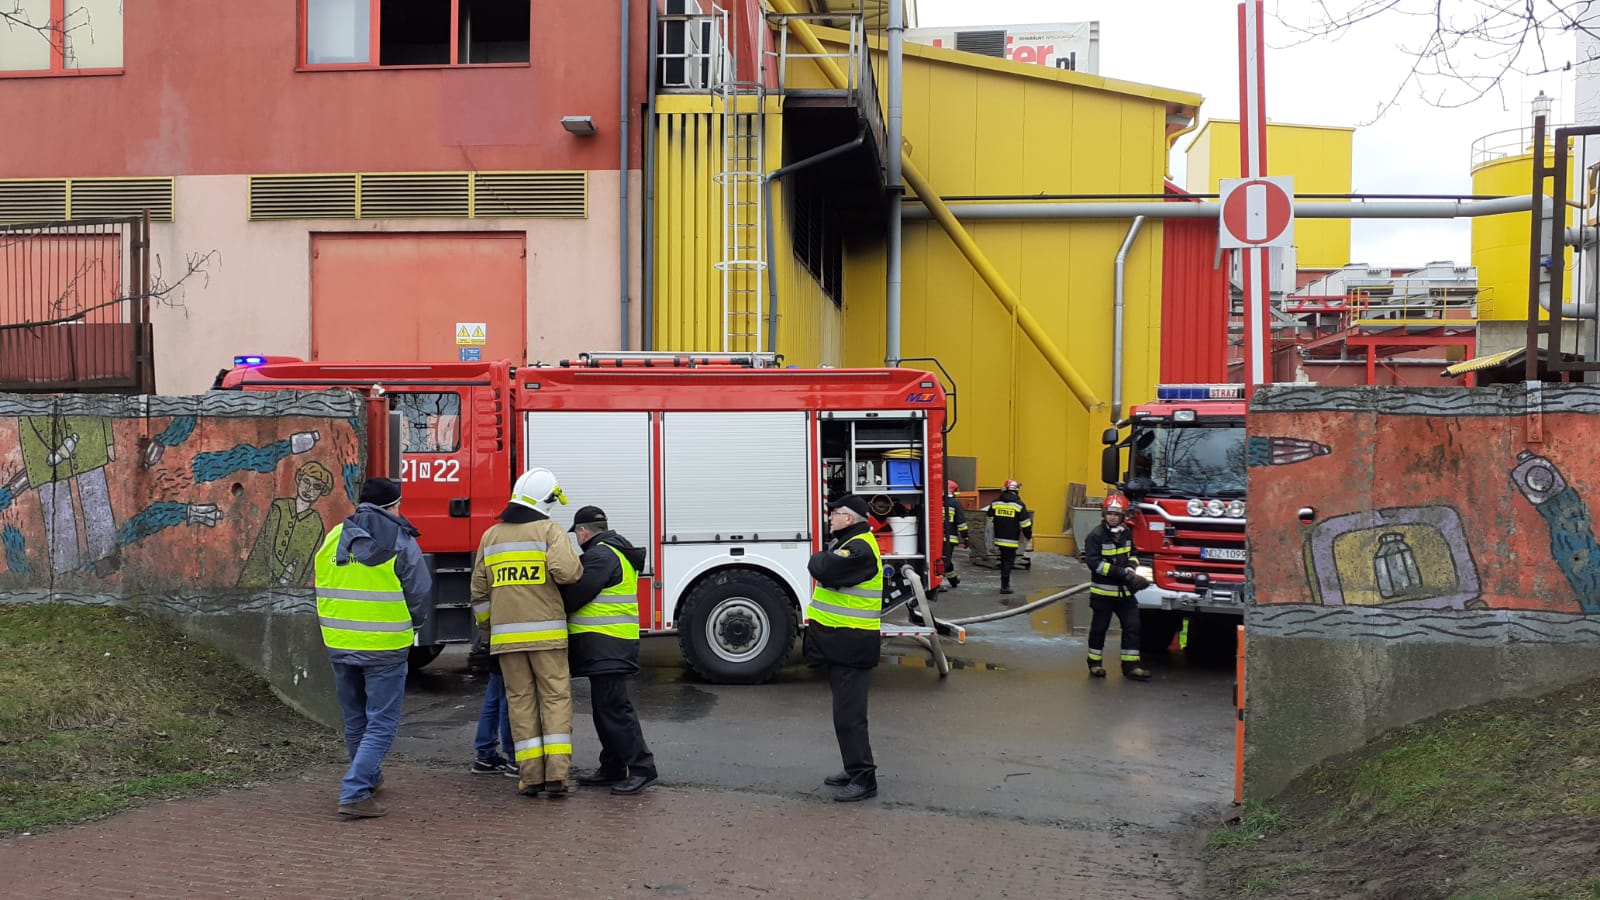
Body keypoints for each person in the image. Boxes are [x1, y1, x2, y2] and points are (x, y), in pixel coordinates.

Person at [313, 476, 432, 819]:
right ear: (394, 505)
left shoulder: (335, 536)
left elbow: (320, 585)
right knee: (381, 721)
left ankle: (368, 777)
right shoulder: (399, 538)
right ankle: (355, 791)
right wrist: (416, 623)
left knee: (355, 719)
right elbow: (419, 590)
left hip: (339, 641)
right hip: (385, 644)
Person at [471, 467, 583, 797]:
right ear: (546, 500)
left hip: (506, 641)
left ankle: (530, 776)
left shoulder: (490, 537)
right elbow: (567, 572)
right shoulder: (550, 531)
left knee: (519, 703)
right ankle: (557, 777)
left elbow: (478, 593)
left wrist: (488, 634)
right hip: (547, 636)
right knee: (555, 700)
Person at [561, 505, 659, 795]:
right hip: (610, 644)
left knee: (614, 709)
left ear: (583, 531)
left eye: (576, 534)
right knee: (605, 709)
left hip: (607, 644)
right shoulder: (613, 551)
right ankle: (612, 767)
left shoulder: (600, 555)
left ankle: (642, 768)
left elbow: (576, 595)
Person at [804, 495, 882, 802]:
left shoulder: (860, 548)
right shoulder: (850, 543)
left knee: (850, 716)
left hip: (853, 645)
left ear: (849, 518)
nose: (830, 518)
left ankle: (864, 778)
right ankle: (853, 770)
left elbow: (824, 568)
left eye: (835, 514)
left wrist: (817, 561)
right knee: (844, 715)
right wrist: (823, 561)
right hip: (844, 644)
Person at [1083, 493, 1153, 681]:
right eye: (1109, 513)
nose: (1112, 517)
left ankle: (1131, 667)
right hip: (1103, 594)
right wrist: (1123, 574)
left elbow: (1134, 554)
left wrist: (1131, 568)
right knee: (1099, 629)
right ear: (1104, 514)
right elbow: (1095, 564)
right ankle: (1095, 664)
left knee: (1133, 627)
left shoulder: (1127, 533)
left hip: (1125, 594)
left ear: (1123, 516)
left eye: (1116, 514)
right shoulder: (1095, 536)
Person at [468, 639, 518, 778]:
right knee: (508, 701)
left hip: (494, 641)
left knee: (494, 698)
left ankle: (484, 755)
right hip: (511, 644)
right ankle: (514, 758)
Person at [984, 486, 1032, 595]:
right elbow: (1026, 524)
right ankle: (1004, 586)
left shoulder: (995, 503)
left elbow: (989, 520)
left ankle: (1004, 584)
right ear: (1016, 491)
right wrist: (1028, 535)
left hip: (999, 538)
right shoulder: (1019, 505)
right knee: (1008, 562)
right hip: (1011, 540)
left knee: (1004, 559)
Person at [940, 480, 968, 591]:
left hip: (935, 538)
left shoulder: (935, 501)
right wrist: (965, 537)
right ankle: (938, 584)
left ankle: (953, 580)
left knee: (945, 560)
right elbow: (961, 523)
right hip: (949, 538)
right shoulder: (955, 504)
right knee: (945, 561)